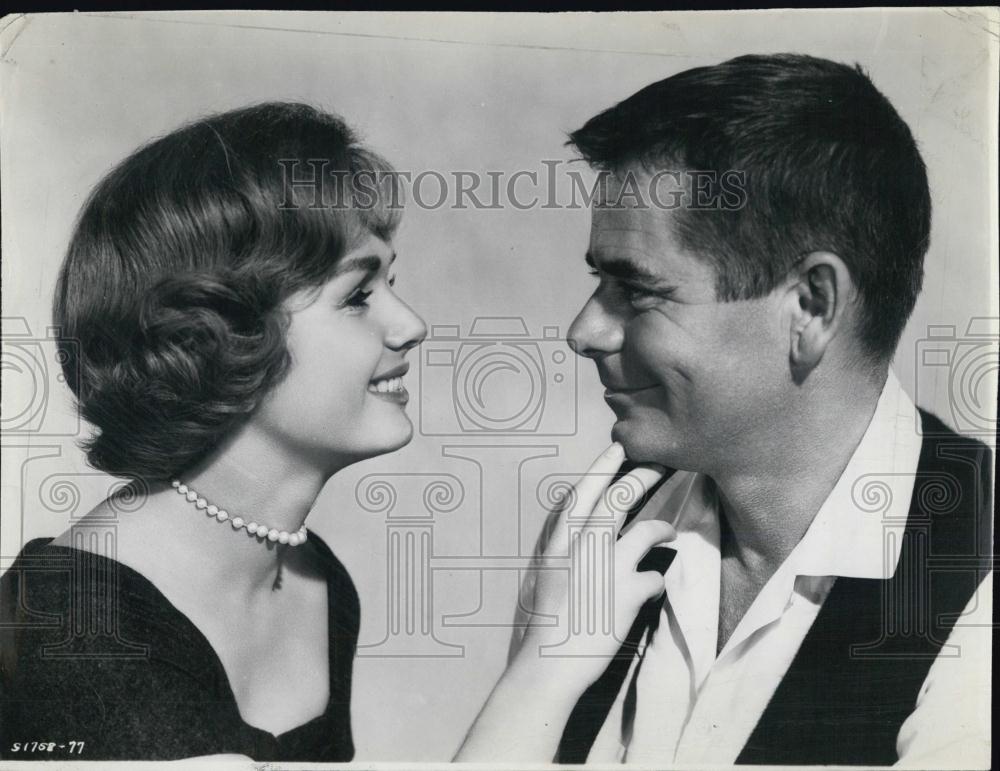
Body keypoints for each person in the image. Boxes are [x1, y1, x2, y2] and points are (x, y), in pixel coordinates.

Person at [0, 101, 675, 763]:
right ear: (213, 334)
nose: (411, 323)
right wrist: (549, 660)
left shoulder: (315, 578)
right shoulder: (75, 632)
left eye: (392, 283)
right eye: (357, 296)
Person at [504, 54, 992, 767]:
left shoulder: (980, 563)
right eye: (596, 281)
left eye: (636, 290)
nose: (584, 331)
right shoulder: (593, 532)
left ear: (811, 305)